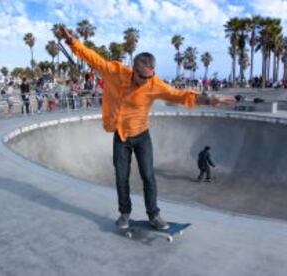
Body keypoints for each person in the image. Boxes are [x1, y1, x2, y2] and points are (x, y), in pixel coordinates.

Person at [58, 25, 236, 230]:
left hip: (142, 135)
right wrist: (72, 42)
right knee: (121, 177)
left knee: (148, 176)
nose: (147, 81)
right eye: (143, 77)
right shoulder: (115, 72)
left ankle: (154, 214)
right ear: (133, 71)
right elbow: (92, 58)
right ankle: (124, 213)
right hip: (121, 135)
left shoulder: (154, 84)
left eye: (150, 76)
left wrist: (210, 99)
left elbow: (179, 95)